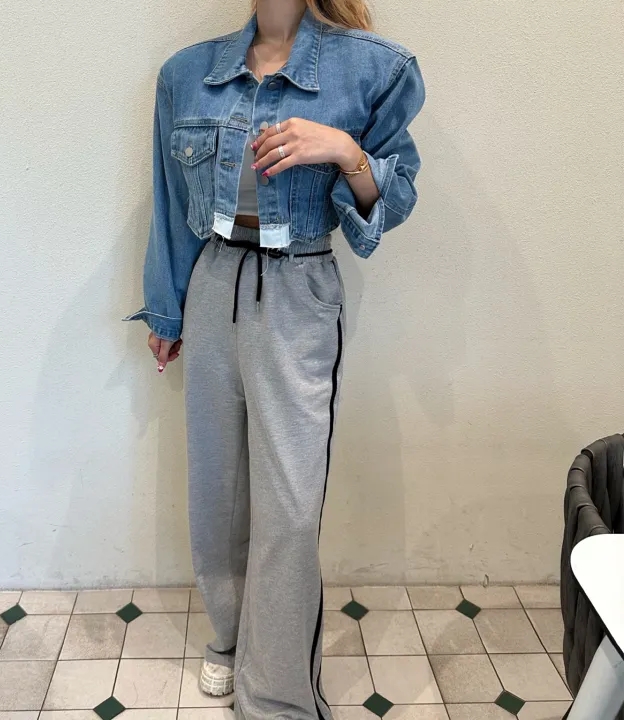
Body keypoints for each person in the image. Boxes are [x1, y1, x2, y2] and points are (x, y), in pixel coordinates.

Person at [125, 0, 425, 717]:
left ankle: (279, 693)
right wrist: (166, 308)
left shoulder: (374, 69)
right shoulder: (188, 74)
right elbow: (171, 206)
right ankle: (231, 638)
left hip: (299, 287)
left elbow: (395, 197)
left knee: (289, 506)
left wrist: (345, 151)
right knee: (218, 492)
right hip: (212, 281)